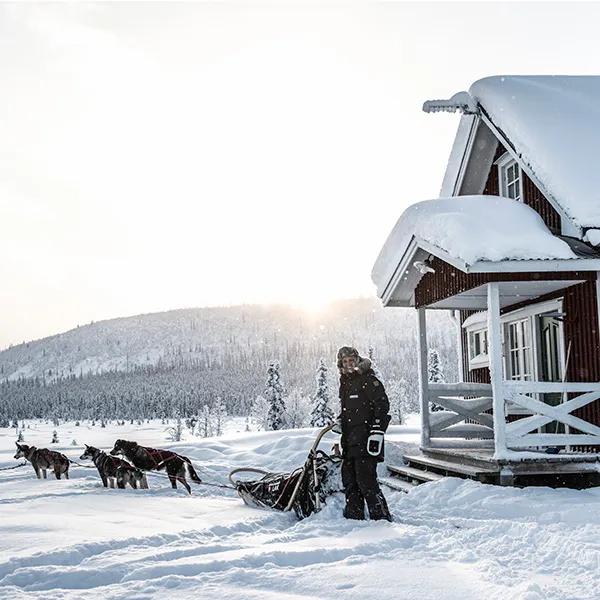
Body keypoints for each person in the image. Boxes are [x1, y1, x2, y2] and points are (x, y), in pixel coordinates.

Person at [333, 346, 392, 522]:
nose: (349, 364)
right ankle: (354, 516)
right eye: (345, 362)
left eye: (352, 360)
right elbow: (350, 410)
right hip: (349, 440)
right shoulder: (345, 382)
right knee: (350, 481)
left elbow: (382, 407)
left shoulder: (368, 380)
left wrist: (376, 431)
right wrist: (340, 421)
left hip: (367, 440)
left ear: (357, 360)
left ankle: (380, 518)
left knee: (366, 481)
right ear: (341, 365)